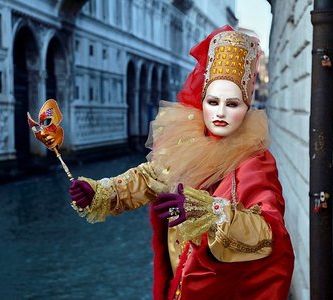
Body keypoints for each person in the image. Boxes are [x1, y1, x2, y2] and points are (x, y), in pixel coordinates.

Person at [68, 25, 294, 300]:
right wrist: (102, 192)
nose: (220, 112)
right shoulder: (187, 143)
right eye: (213, 101)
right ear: (203, 101)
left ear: (246, 107)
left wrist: (207, 212)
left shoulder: (254, 163)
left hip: (219, 287)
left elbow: (269, 232)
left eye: (232, 104)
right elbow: (150, 177)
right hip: (180, 278)